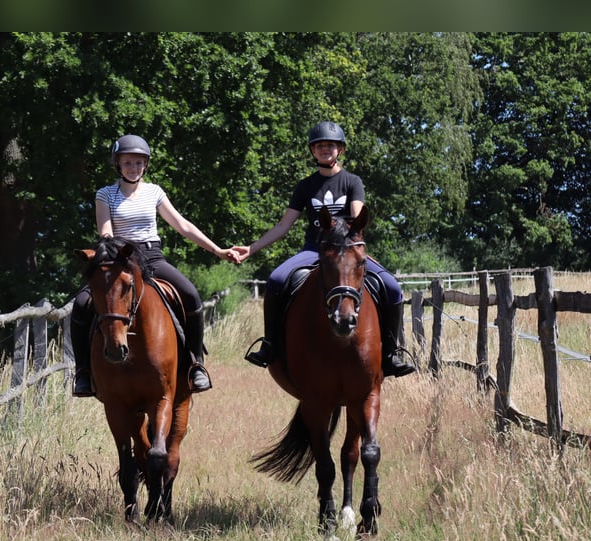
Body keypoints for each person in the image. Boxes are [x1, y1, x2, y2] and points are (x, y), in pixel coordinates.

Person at [234, 121, 415, 378]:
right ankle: (270, 345)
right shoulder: (305, 186)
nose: (324, 149)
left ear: (340, 149)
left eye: (330, 145)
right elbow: (284, 225)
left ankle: (391, 353)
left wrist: (353, 241)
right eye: (319, 146)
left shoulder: (352, 181)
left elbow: (356, 218)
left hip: (348, 249)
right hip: (315, 249)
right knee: (275, 280)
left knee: (393, 287)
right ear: (312, 151)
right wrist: (251, 249)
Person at [71, 134, 239, 397]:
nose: (133, 168)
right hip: (120, 259)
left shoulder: (154, 192)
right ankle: (83, 373)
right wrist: (112, 254)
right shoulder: (105, 194)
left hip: (152, 257)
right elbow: (105, 230)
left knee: (191, 295)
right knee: (81, 304)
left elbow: (182, 225)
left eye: (139, 163)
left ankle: (196, 364)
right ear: (118, 164)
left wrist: (217, 250)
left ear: (145, 165)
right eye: (127, 163)